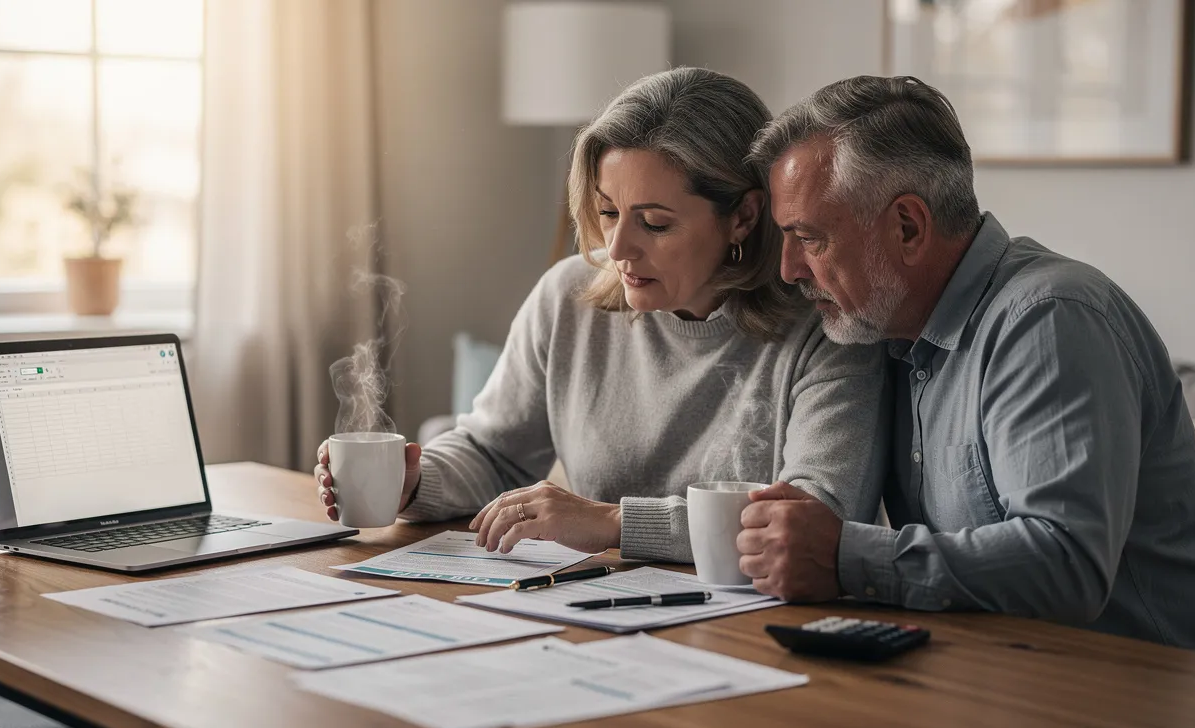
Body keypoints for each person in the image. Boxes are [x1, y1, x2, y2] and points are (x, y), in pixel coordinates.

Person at [739, 74, 1195, 655]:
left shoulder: (1049, 319)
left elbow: (1067, 567)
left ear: (907, 226)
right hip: (994, 674)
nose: (789, 270)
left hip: (1147, 698)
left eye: (808, 238)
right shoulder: (891, 334)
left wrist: (847, 556)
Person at [314, 67, 890, 561]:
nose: (617, 252)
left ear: (743, 216)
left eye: (656, 223)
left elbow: (815, 515)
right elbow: (494, 451)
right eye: (609, 212)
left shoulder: (828, 325)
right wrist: (416, 483)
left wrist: (613, 522)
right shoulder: (568, 298)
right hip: (599, 615)